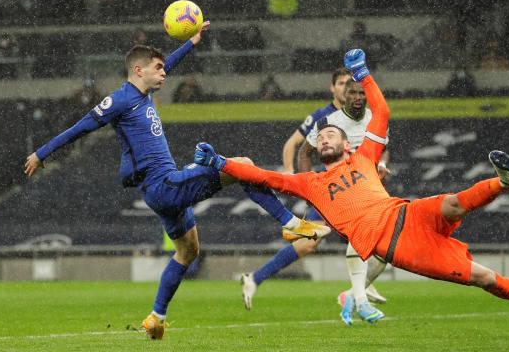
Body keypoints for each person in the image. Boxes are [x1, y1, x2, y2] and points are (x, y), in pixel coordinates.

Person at [195, 49, 509, 315]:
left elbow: (381, 112)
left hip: (408, 212)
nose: (330, 134)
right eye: (325, 135)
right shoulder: (310, 183)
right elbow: (261, 175)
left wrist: (365, 75)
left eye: (335, 132)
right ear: (319, 148)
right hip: (402, 246)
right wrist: (220, 161)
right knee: (485, 278)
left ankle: (504, 182)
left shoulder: (363, 156)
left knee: (453, 202)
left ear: (345, 143)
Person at [23, 22, 328, 340]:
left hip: (163, 190)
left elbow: (168, 63)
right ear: (139, 70)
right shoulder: (119, 100)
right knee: (243, 166)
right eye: (158, 68)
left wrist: (192, 43)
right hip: (164, 186)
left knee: (188, 252)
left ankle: (156, 317)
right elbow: (80, 128)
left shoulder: (144, 91)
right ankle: (291, 223)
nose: (165, 72)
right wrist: (41, 153)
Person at [240, 68, 390, 325]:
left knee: (367, 241)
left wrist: (382, 165)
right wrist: (295, 179)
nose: (350, 90)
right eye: (344, 85)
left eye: (353, 87)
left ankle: (358, 288)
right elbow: (294, 146)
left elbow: (383, 146)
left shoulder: (368, 117)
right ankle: (358, 290)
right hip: (331, 189)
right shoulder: (322, 118)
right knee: (317, 241)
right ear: (335, 89)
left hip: (359, 186)